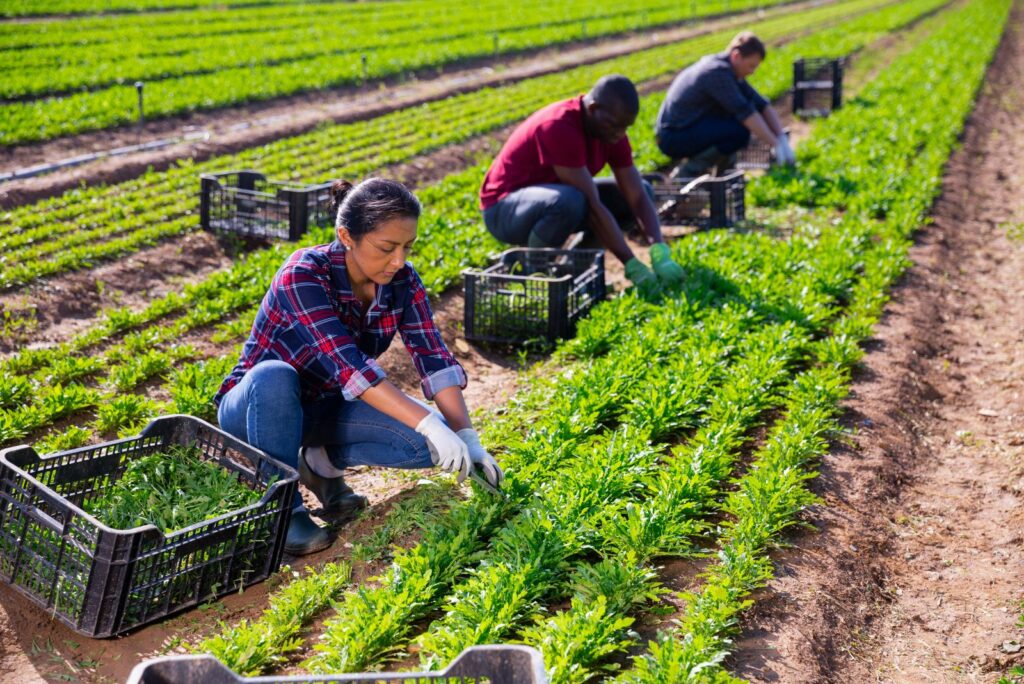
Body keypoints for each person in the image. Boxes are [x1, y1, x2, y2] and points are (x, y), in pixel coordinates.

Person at [214, 178, 504, 556]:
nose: (398, 260)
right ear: (347, 236)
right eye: (386, 248)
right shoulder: (303, 274)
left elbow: (433, 358)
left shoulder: (403, 281)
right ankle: (281, 509)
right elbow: (351, 367)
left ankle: (320, 463)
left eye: (406, 247)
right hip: (257, 409)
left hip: (325, 407)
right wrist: (430, 420)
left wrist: (466, 436)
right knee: (275, 374)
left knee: (429, 447)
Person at [480, 74, 686, 297]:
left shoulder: (612, 132)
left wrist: (659, 249)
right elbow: (593, 206)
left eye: (625, 128)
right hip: (504, 210)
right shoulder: (559, 126)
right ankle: (534, 275)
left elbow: (636, 195)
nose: (620, 134)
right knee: (571, 200)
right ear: (593, 108)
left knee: (640, 190)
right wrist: (631, 264)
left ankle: (574, 270)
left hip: (552, 199)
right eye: (615, 126)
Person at [655, 32, 796, 177]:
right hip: (673, 136)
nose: (752, 72)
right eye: (751, 66)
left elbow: (761, 104)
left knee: (733, 128)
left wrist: (781, 138)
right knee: (737, 131)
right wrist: (776, 145)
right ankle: (687, 174)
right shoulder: (716, 72)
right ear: (736, 56)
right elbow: (745, 113)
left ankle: (724, 175)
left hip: (687, 130)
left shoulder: (730, 71)